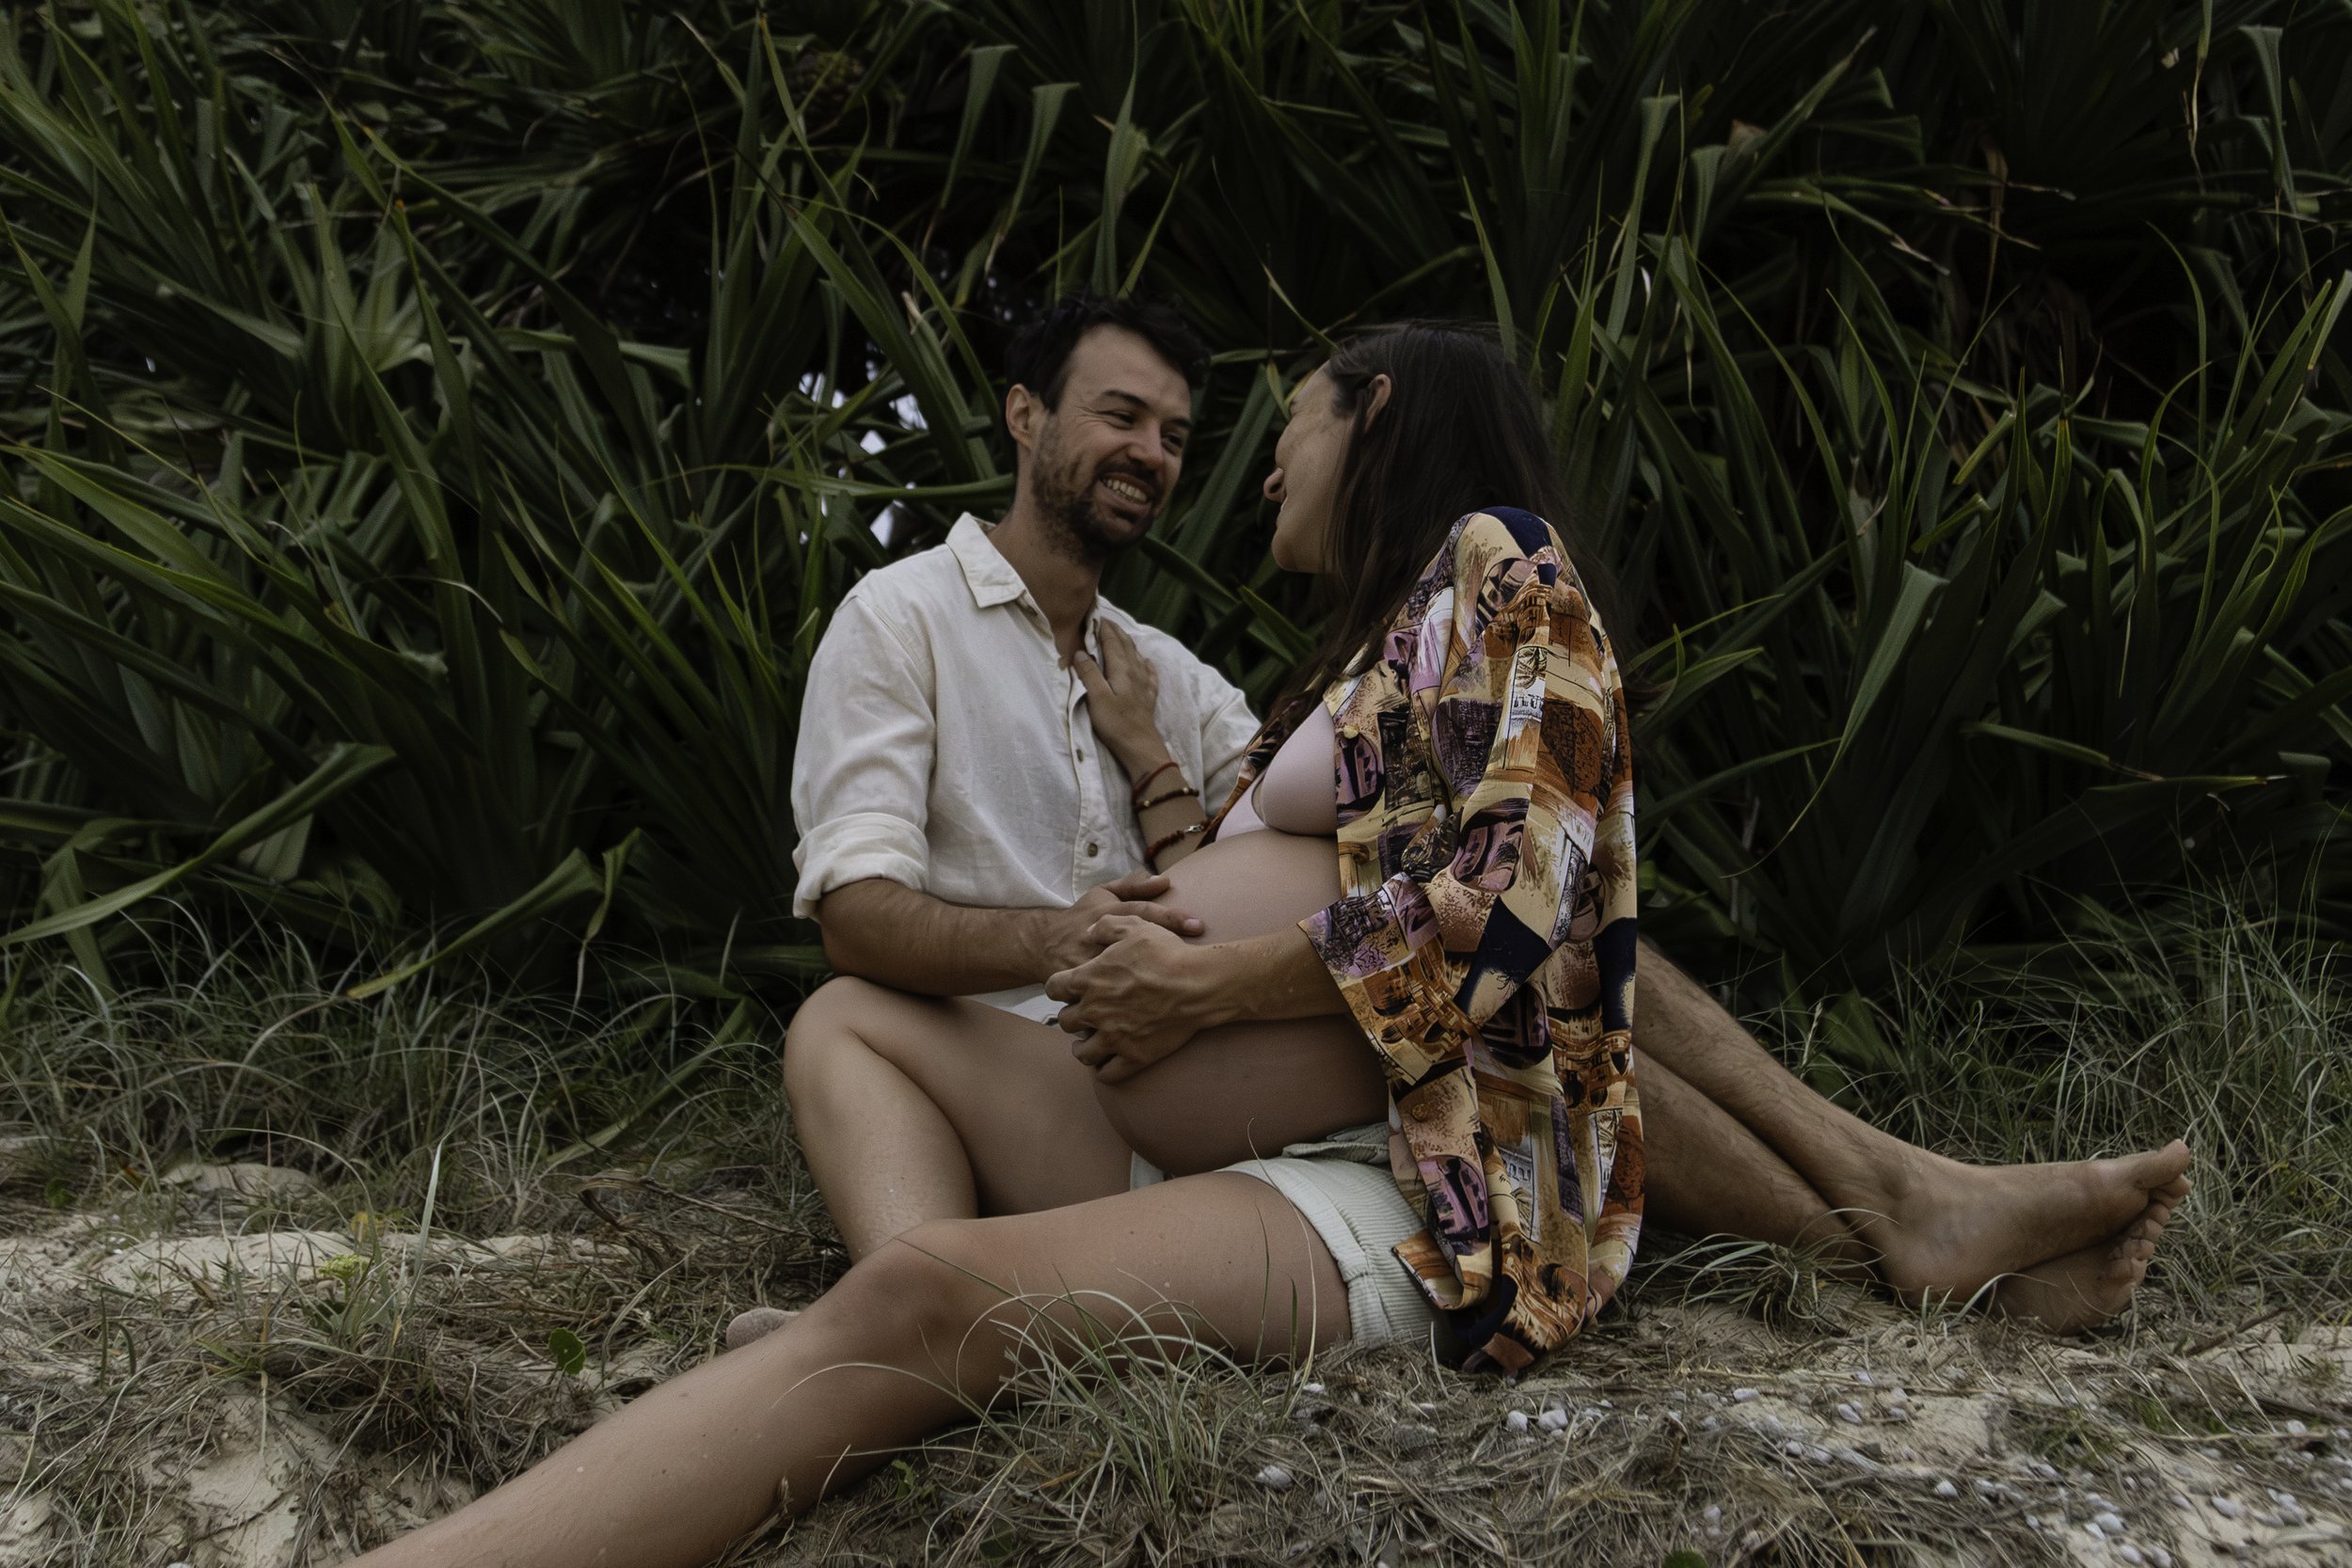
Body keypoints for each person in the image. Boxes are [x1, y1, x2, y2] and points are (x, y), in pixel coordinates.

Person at [345, 319, 2189, 1568]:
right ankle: (1912, 1214)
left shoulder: (1494, 570)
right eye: (1146, 424)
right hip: (1257, 1125)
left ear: (1370, 413)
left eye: (1277, 425)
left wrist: (1213, 973)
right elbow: (1362, 868)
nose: (1241, 468)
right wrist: (1164, 804)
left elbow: (1530, 918)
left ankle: (1908, 1212)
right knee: (858, 1038)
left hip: (1400, 1167)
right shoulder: (1361, 652)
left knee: (923, 1307)